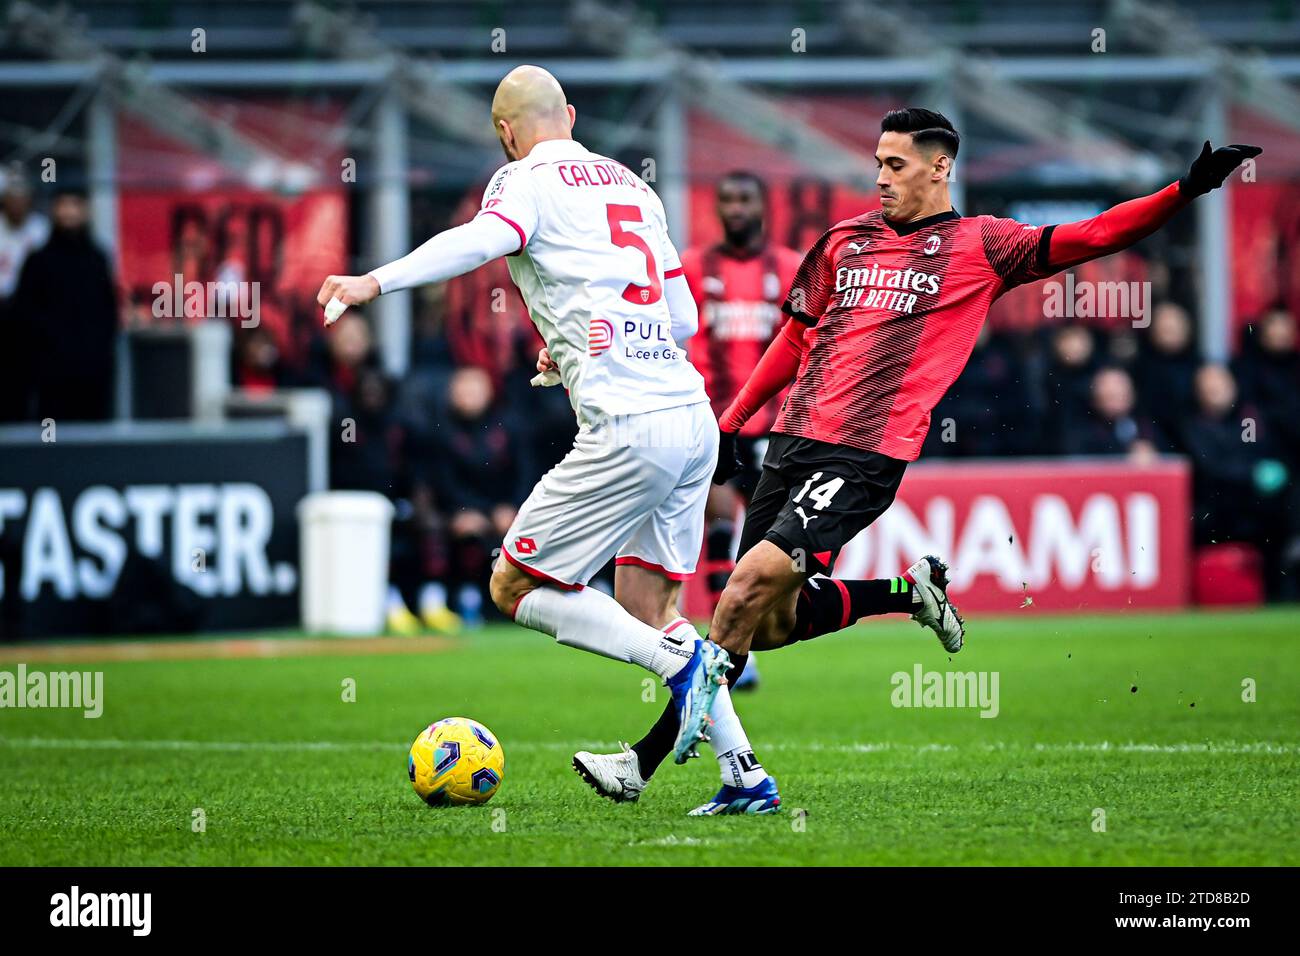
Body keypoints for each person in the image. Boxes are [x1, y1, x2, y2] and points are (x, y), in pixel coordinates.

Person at [576, 109, 1262, 806]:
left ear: (940, 168)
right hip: (791, 442)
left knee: (744, 588)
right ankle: (909, 594)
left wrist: (1184, 191)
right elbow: (795, 336)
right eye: (877, 163)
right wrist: (734, 421)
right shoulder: (845, 241)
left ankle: (649, 761)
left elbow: (1093, 235)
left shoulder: (981, 246)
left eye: (895, 165)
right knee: (772, 620)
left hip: (864, 454)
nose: (880, 178)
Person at [316, 65, 777, 816]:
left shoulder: (522, 180)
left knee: (515, 584)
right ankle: (744, 774)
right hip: (692, 419)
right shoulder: (632, 183)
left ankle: (683, 666)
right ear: (570, 112)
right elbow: (684, 316)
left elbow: (479, 242)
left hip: (630, 427)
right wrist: (572, 343)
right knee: (647, 601)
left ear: (505, 132)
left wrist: (375, 281)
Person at [680, 171, 803, 687]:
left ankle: (744, 635)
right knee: (718, 524)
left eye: (744, 199)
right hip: (713, 424)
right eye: (725, 199)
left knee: (765, 543)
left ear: (763, 205)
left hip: (778, 428)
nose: (734, 208)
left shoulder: (793, 268)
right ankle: (724, 647)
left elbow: (809, 344)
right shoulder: (691, 268)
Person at [10, 190, 118, 422]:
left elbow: (107, 311)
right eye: (63, 205)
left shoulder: (96, 260)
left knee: (92, 434)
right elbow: (24, 314)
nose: (69, 212)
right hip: (51, 370)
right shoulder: (39, 261)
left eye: (75, 205)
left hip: (91, 368)